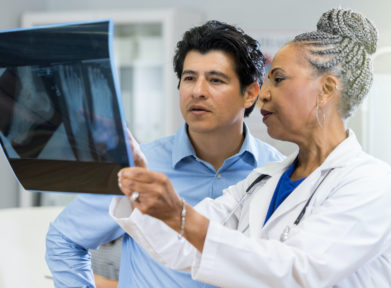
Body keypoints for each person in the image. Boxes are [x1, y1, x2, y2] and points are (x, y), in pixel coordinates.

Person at [112, 7, 391, 288]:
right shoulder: (263, 181)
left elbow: (298, 272)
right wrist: (137, 185)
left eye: (278, 79)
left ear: (326, 89)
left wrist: (181, 215)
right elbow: (183, 246)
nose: (262, 95)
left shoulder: (369, 182)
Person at [45, 20, 284, 288]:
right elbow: (64, 238)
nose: (197, 91)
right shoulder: (138, 168)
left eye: (215, 80)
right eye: (189, 78)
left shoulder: (276, 172)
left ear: (250, 93)